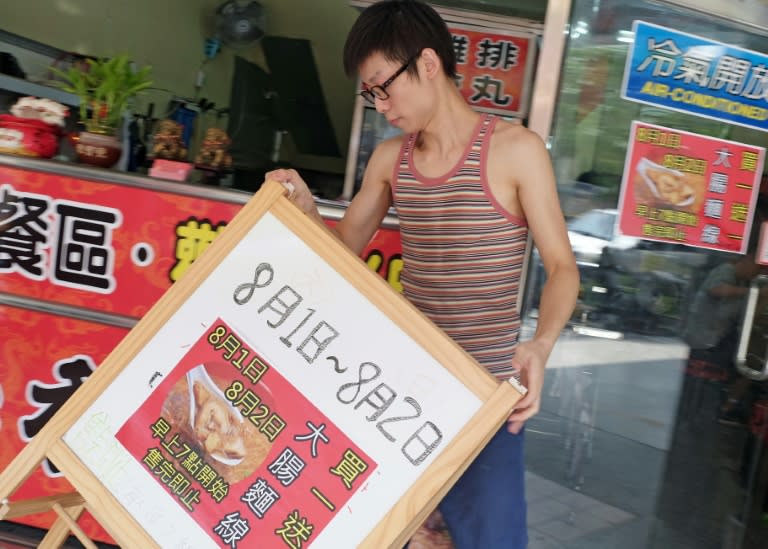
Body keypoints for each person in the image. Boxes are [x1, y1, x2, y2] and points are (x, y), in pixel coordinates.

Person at [265, 1, 579, 547]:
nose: (382, 106)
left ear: (428, 64)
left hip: (486, 398)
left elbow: (562, 268)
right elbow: (340, 254)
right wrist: (305, 208)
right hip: (400, 397)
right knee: (396, 535)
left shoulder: (516, 151)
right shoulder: (390, 160)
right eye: (372, 94)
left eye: (384, 87)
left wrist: (541, 344)